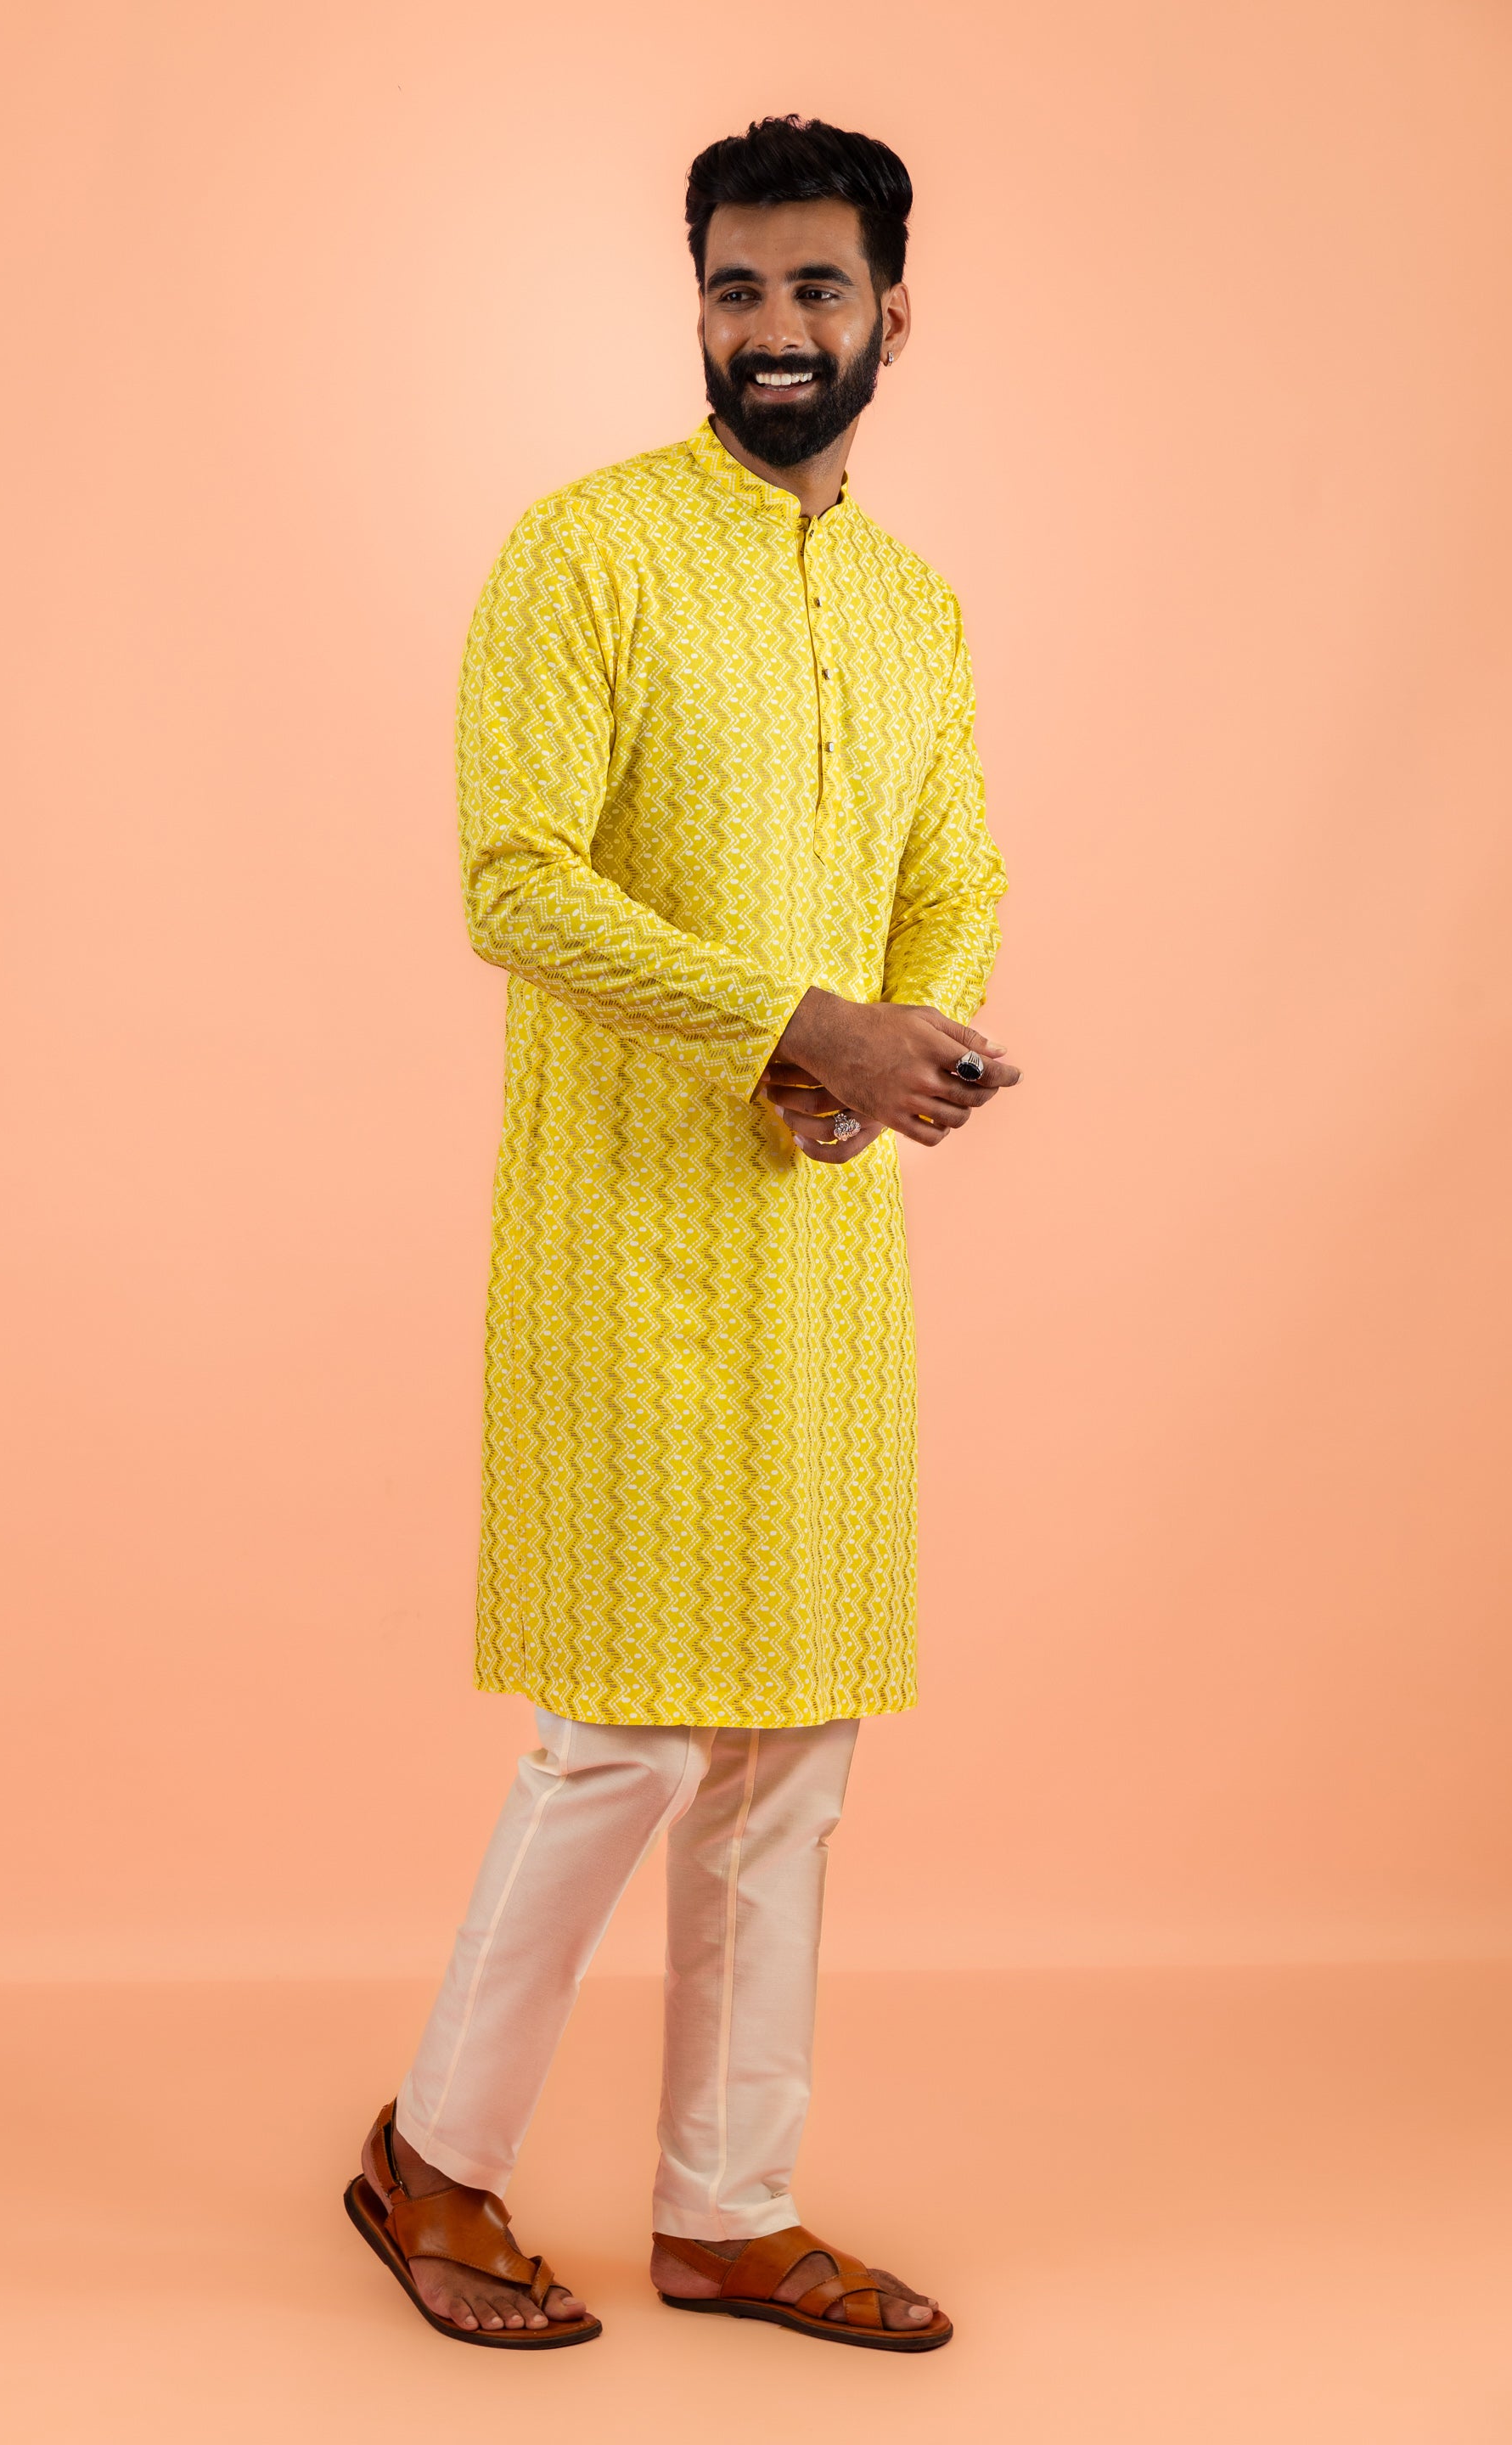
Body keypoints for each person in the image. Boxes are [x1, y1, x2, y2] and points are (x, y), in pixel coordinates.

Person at [345, 112, 1018, 2353]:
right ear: (700, 305)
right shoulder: (586, 553)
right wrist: (796, 1026)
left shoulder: (913, 608)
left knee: (795, 1745)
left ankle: (730, 2209)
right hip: (624, 1231)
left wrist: (896, 1051)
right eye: (739, 288)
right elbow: (514, 882)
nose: (775, 329)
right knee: (625, 1733)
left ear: (892, 312)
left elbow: (956, 871)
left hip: (823, 1246)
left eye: (817, 288)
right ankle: (433, 2161)